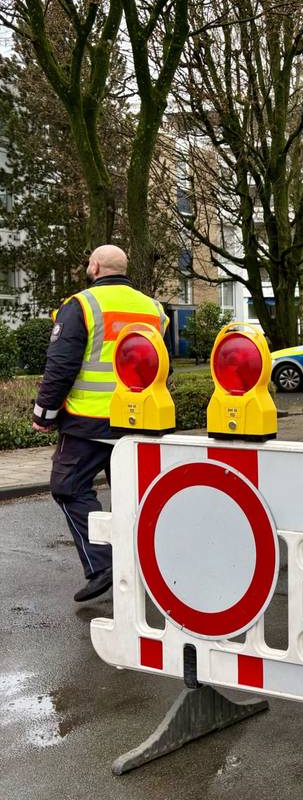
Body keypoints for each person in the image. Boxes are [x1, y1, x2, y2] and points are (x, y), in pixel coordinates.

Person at [32, 245, 167, 602]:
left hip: (88, 423)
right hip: (140, 420)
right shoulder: (153, 309)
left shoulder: (81, 305)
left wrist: (43, 414)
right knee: (134, 498)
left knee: (68, 488)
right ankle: (149, 568)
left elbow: (60, 365)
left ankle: (104, 564)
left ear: (94, 266)